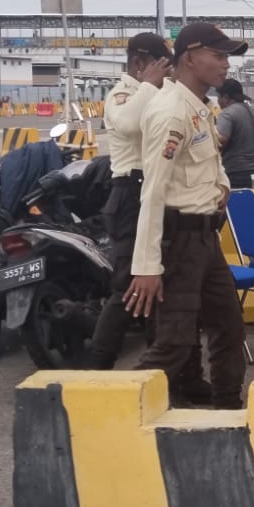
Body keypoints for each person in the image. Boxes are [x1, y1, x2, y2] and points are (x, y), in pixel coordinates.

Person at [122, 22, 251, 409]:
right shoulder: (171, 112)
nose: (226, 64)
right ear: (190, 58)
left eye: (227, 57)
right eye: (218, 55)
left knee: (229, 328)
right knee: (175, 343)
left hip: (206, 240)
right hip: (178, 242)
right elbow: (153, 191)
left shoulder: (200, 108)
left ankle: (228, 409)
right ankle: (120, 410)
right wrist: (147, 267)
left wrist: (222, 186)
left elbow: (210, 162)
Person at [85, 32, 171, 368]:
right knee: (127, 286)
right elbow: (130, 124)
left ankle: (157, 365)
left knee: (158, 284)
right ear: (140, 63)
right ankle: (96, 369)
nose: (168, 73)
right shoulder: (123, 94)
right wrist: (150, 84)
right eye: (163, 66)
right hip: (129, 195)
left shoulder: (155, 93)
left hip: (152, 191)